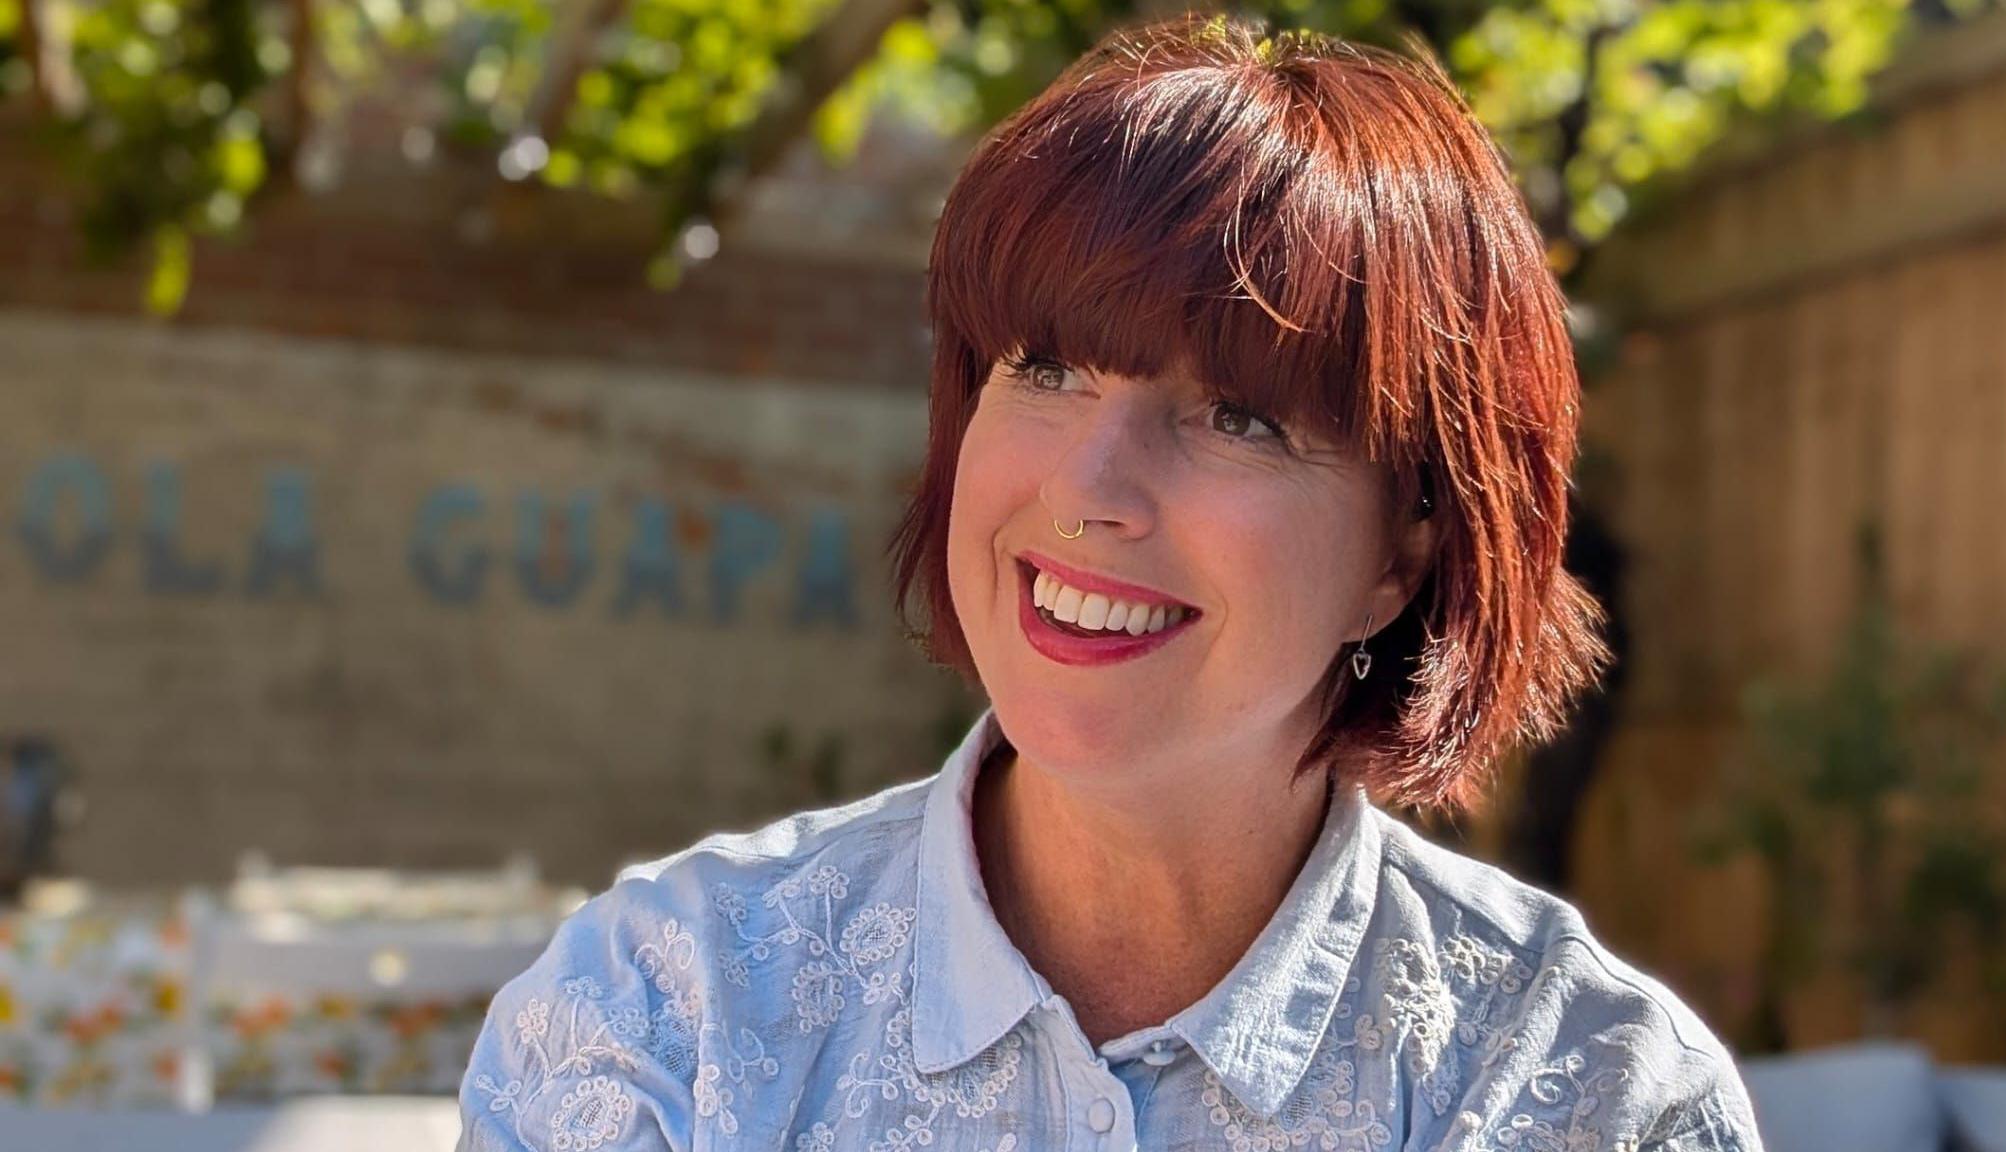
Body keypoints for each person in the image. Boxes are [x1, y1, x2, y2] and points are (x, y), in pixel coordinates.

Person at [456, 14, 1765, 1151]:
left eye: (1240, 417)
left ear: (1402, 551)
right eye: (1046, 367)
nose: (1092, 485)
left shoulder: (1580, 1094)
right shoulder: (658, 1020)